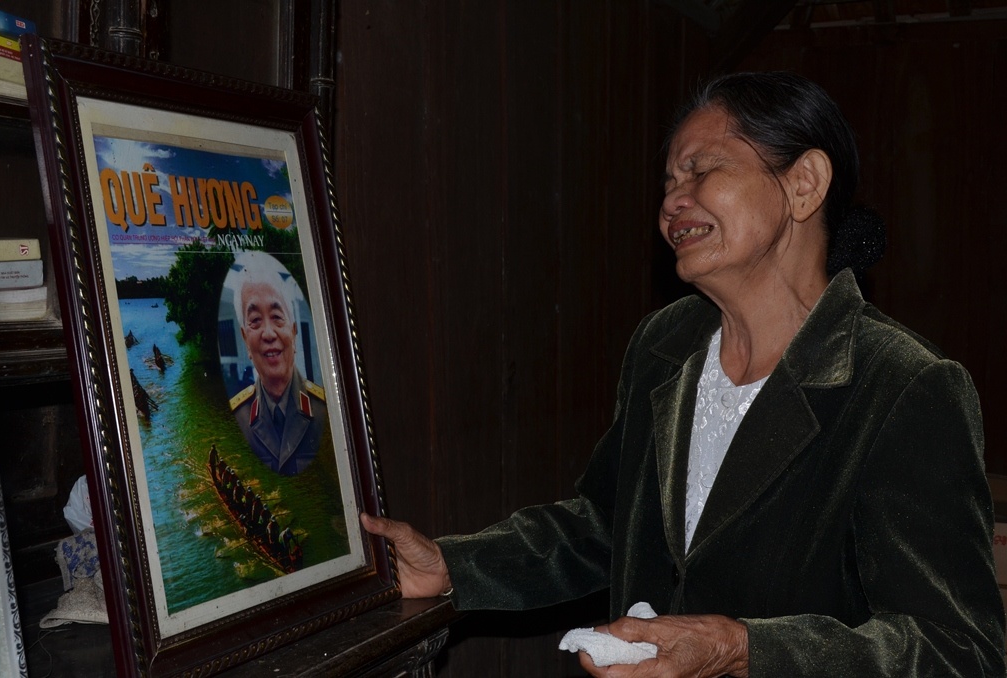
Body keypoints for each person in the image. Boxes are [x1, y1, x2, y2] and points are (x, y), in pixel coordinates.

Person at [362, 71, 1006, 676]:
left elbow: (958, 649)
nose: (673, 200)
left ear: (804, 184)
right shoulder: (665, 345)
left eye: (702, 169)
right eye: (669, 180)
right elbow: (607, 526)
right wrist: (454, 566)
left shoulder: (903, 385)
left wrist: (739, 649)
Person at [229, 252, 328, 475]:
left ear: (293, 332)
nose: (268, 333)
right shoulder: (238, 416)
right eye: (255, 320)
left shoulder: (325, 411)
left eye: (276, 316)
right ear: (245, 340)